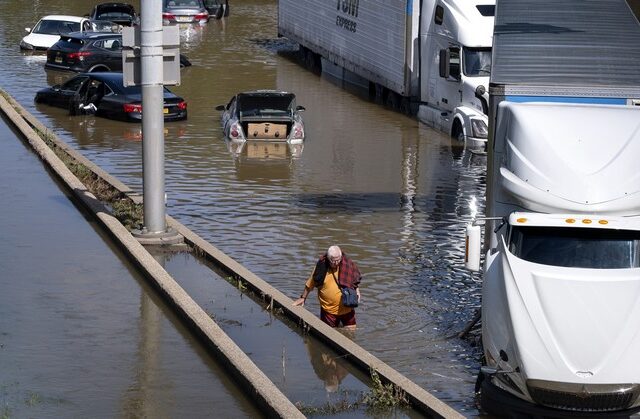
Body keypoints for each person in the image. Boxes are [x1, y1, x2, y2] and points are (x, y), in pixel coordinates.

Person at [292, 245, 361, 329]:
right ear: (328, 258)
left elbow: (354, 281)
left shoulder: (347, 265)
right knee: (330, 333)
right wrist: (303, 298)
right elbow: (310, 284)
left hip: (347, 308)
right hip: (329, 311)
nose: (336, 263)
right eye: (333, 261)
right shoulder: (321, 268)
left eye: (338, 260)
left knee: (351, 332)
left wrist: (357, 290)